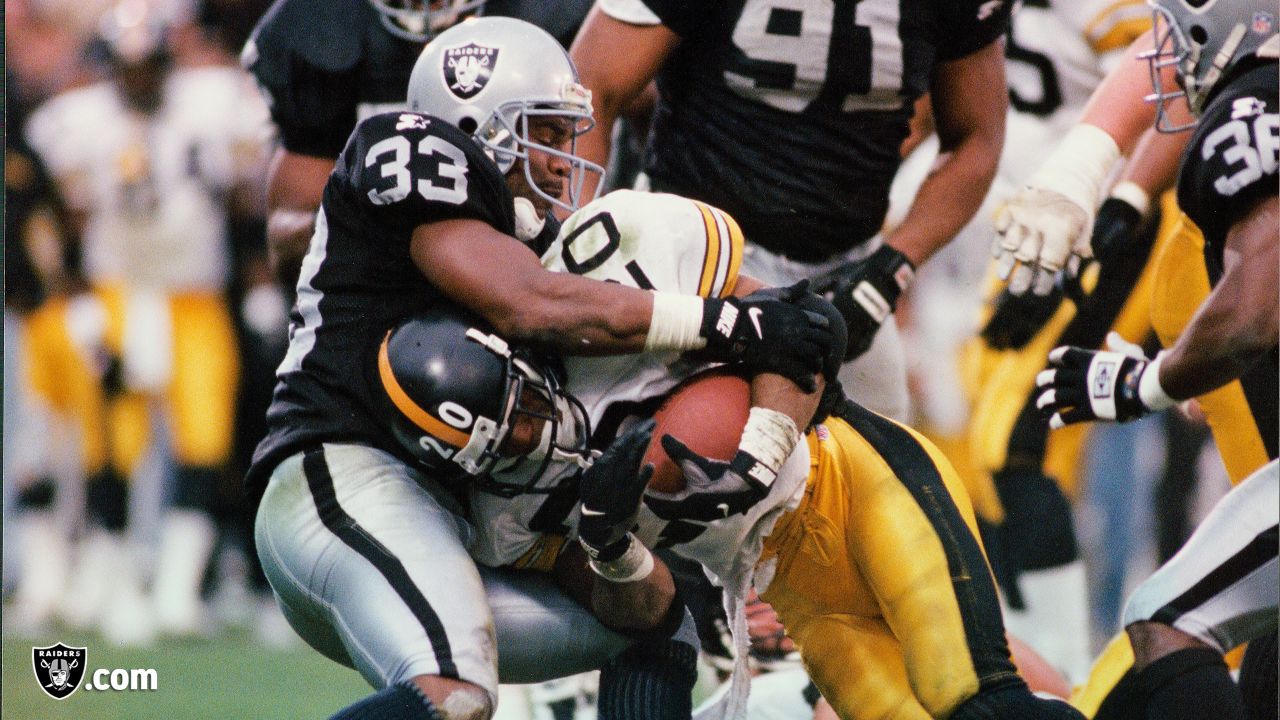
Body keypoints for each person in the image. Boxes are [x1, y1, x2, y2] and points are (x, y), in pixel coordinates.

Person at [247, 17, 834, 720]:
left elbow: (801, 326)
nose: (565, 158)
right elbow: (527, 305)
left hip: (463, 514)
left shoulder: (551, 244)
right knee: (454, 696)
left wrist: (772, 394)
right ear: (477, 121)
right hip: (346, 473)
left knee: (654, 621)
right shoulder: (408, 148)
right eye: (547, 133)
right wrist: (722, 322)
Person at [390, 188, 1076, 720]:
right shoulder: (506, 516)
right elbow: (649, 619)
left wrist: (758, 455)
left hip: (858, 485)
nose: (534, 440)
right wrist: (610, 548)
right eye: (505, 452)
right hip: (797, 595)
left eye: (526, 410)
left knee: (976, 699)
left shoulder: (613, 266)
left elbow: (808, 326)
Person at [567, 0, 1011, 423]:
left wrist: (890, 268)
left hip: (845, 268)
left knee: (888, 481)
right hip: (698, 259)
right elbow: (589, 89)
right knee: (693, 458)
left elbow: (976, 136)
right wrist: (580, 247)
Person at [1034, 1, 1278, 717]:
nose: (1170, 55)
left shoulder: (1249, 113)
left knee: (1164, 618)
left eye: (1179, 34)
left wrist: (1145, 383)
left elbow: (1253, 309)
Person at [22, 0, 270, 642]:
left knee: (206, 436)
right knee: (115, 441)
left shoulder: (213, 102)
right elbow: (56, 216)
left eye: (151, 65)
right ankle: (117, 579)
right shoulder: (75, 121)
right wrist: (73, 296)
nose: (140, 80)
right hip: (117, 292)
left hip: (194, 295)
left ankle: (175, 590)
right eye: (128, 67)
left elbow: (252, 185)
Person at [241, 0, 594, 290]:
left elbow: (575, 159)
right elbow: (286, 242)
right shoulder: (321, 29)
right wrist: (371, 224)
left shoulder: (552, 16)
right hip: (388, 293)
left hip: (520, 262)